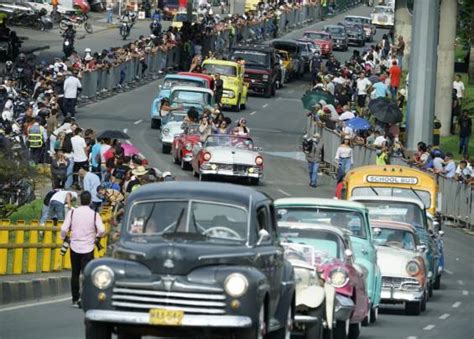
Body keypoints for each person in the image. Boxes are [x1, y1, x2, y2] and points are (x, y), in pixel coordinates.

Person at [60, 191, 105, 308]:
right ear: (90, 201)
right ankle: (86, 298)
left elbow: (64, 229)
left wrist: (64, 238)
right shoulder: (95, 214)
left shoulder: (72, 213)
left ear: (80, 201)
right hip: (88, 247)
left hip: (74, 246)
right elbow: (101, 230)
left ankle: (75, 299)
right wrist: (96, 238)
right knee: (87, 274)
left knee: (75, 273)